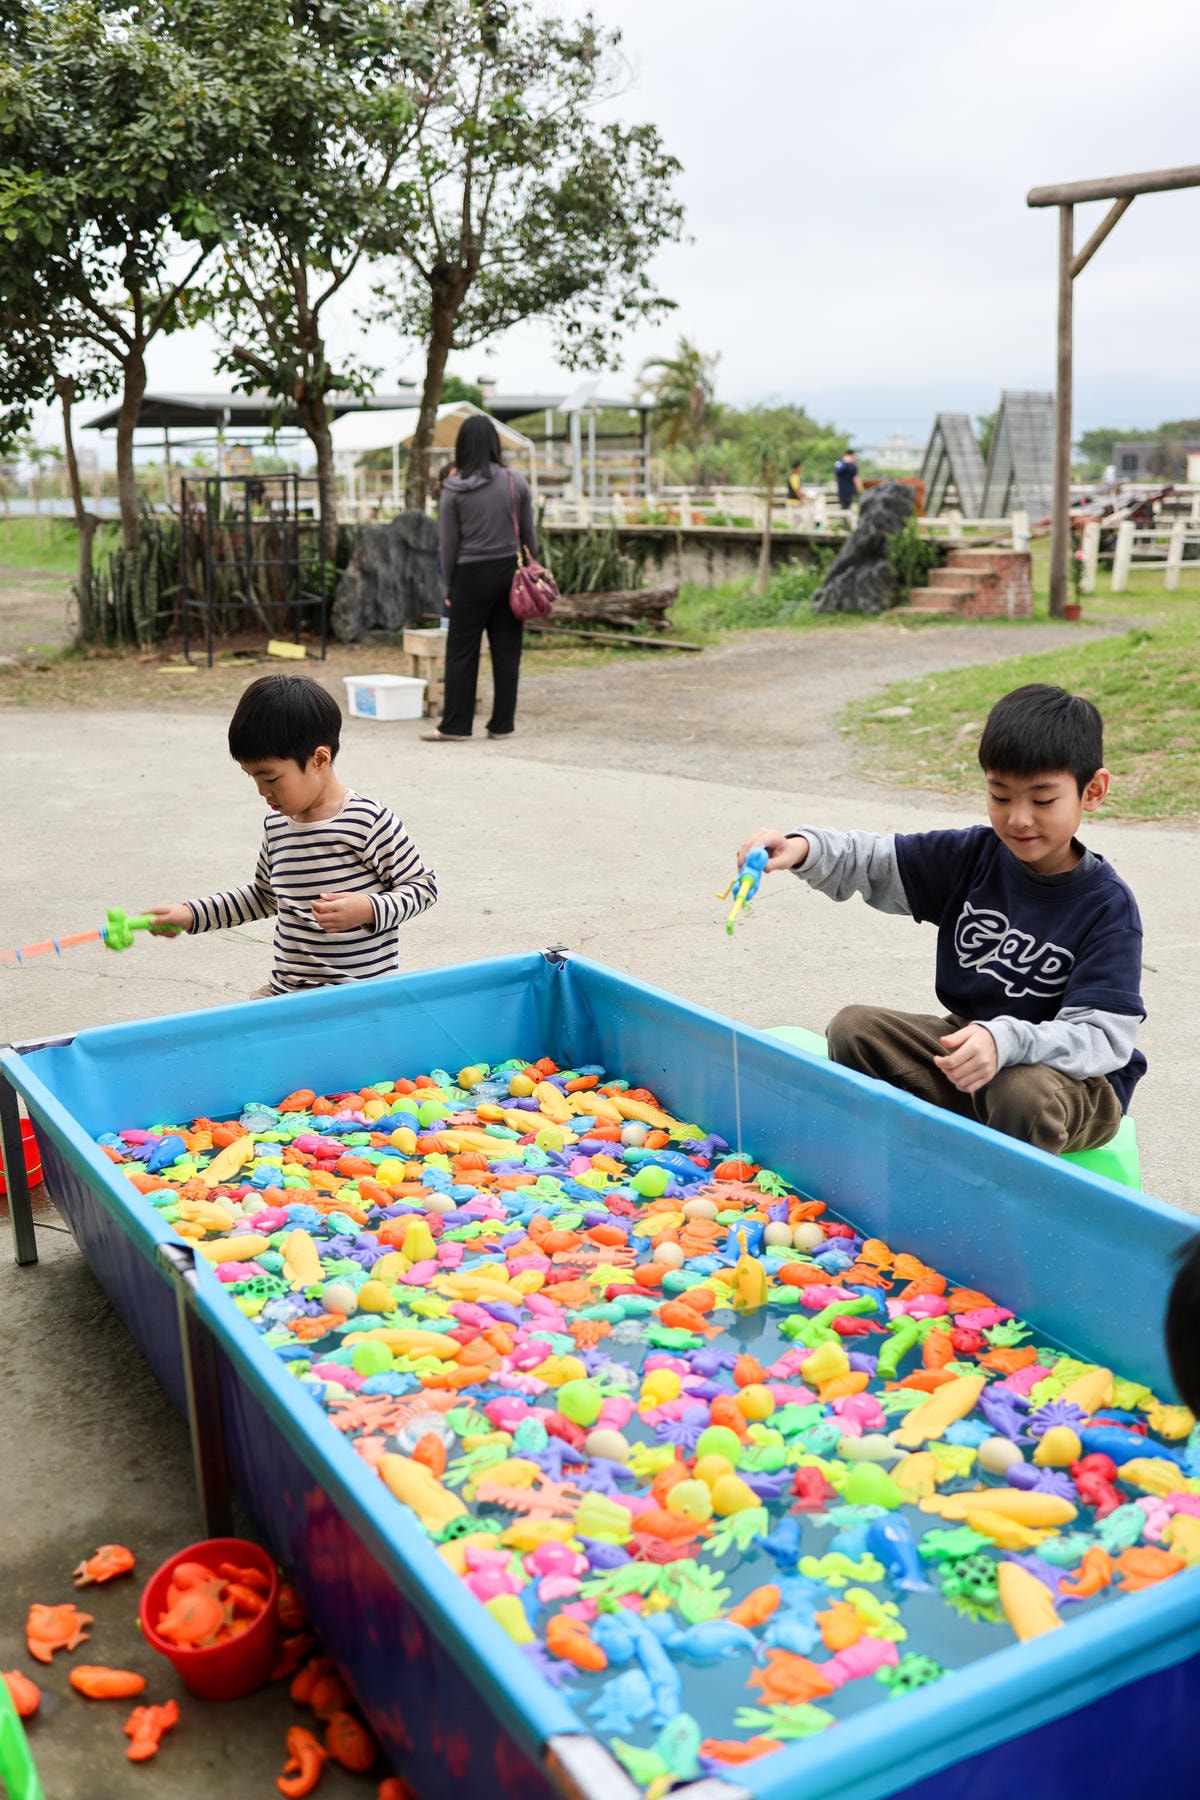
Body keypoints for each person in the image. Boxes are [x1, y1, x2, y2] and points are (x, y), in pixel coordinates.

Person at [735, 684, 1146, 1155]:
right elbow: (876, 860)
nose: (1017, 819)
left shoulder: (1107, 907)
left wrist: (1004, 1039)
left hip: (1072, 1086)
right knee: (855, 1029)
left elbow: (1101, 1038)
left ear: (1091, 791)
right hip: (970, 1054)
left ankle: (1000, 1207)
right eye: (1000, 795)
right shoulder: (972, 856)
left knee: (1021, 1091)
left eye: (1042, 800)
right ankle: (891, 1163)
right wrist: (802, 848)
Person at [147, 674, 437, 996]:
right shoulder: (277, 827)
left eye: (270, 778)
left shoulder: (367, 821)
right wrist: (190, 914)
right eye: (252, 778)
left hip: (359, 996)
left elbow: (422, 888)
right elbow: (263, 896)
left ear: (319, 759)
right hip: (288, 991)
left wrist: (368, 909)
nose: (261, 791)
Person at [423, 414, 536, 741]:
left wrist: (449, 586)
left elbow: (449, 545)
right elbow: (529, 535)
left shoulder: (453, 489)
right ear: (494, 444)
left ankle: (455, 726)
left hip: (470, 577)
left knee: (461, 650)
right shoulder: (515, 481)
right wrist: (532, 572)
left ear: (461, 447)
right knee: (507, 650)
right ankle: (502, 725)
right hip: (509, 572)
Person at [834, 448, 862, 512]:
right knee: (843, 508)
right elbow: (838, 472)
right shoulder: (839, 463)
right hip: (842, 491)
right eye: (853, 456)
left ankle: (850, 521)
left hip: (852, 491)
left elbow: (856, 477)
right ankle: (845, 521)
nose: (854, 458)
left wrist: (860, 489)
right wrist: (845, 463)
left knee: (852, 509)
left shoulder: (853, 466)